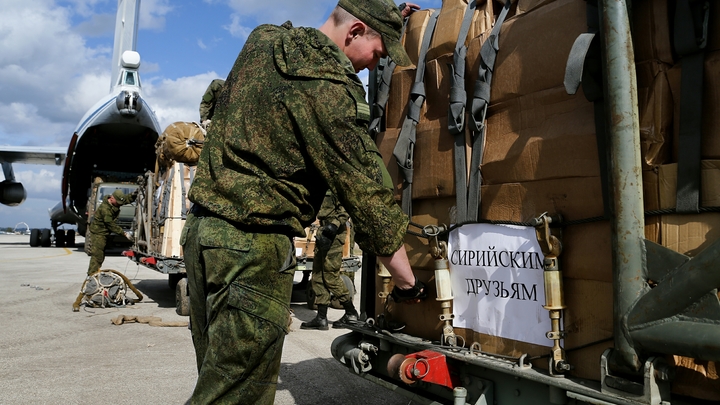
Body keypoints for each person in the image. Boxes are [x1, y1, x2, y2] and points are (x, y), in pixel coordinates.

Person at [181, 1, 426, 403]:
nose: (374, 65)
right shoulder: (329, 89)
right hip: (252, 252)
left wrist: (390, 17)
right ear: (355, 32)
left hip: (202, 237)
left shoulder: (262, 41)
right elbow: (365, 197)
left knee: (217, 379)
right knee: (234, 397)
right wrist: (407, 282)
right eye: (379, 53)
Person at [301, 192, 356, 331]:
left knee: (330, 276)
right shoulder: (321, 183)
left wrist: (334, 225)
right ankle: (321, 318)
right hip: (322, 230)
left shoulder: (335, 184)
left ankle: (351, 313)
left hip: (334, 232)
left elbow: (346, 207)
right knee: (318, 276)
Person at [86, 189, 135, 275]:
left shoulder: (115, 201)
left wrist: (134, 194)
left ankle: (95, 273)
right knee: (97, 255)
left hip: (104, 232)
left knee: (101, 255)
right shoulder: (105, 209)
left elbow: (126, 199)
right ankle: (91, 275)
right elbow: (110, 225)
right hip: (98, 233)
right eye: (118, 202)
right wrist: (124, 233)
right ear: (112, 198)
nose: (119, 204)